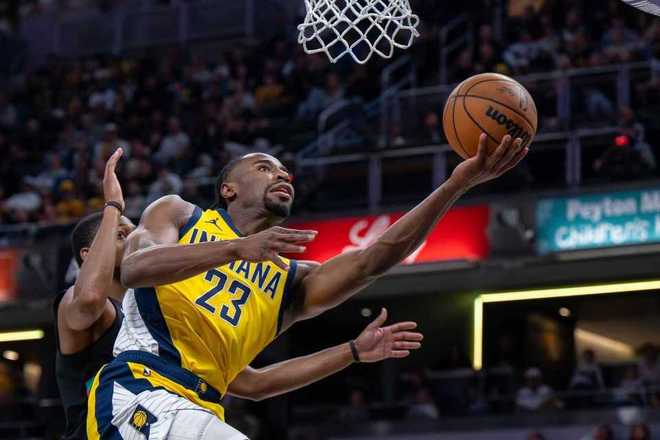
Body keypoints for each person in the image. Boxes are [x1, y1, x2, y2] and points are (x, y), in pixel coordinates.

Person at [88, 134, 527, 439]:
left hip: (200, 407)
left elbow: (374, 259)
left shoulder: (289, 281)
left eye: (286, 173)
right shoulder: (181, 214)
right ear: (228, 189)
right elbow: (136, 269)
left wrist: (456, 184)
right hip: (140, 389)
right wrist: (236, 249)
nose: (282, 176)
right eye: (265, 168)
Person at [55, 148, 136, 440]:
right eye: (121, 235)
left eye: (135, 233)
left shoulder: (145, 312)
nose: (134, 240)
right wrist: (112, 206)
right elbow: (89, 300)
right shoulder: (72, 300)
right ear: (88, 254)